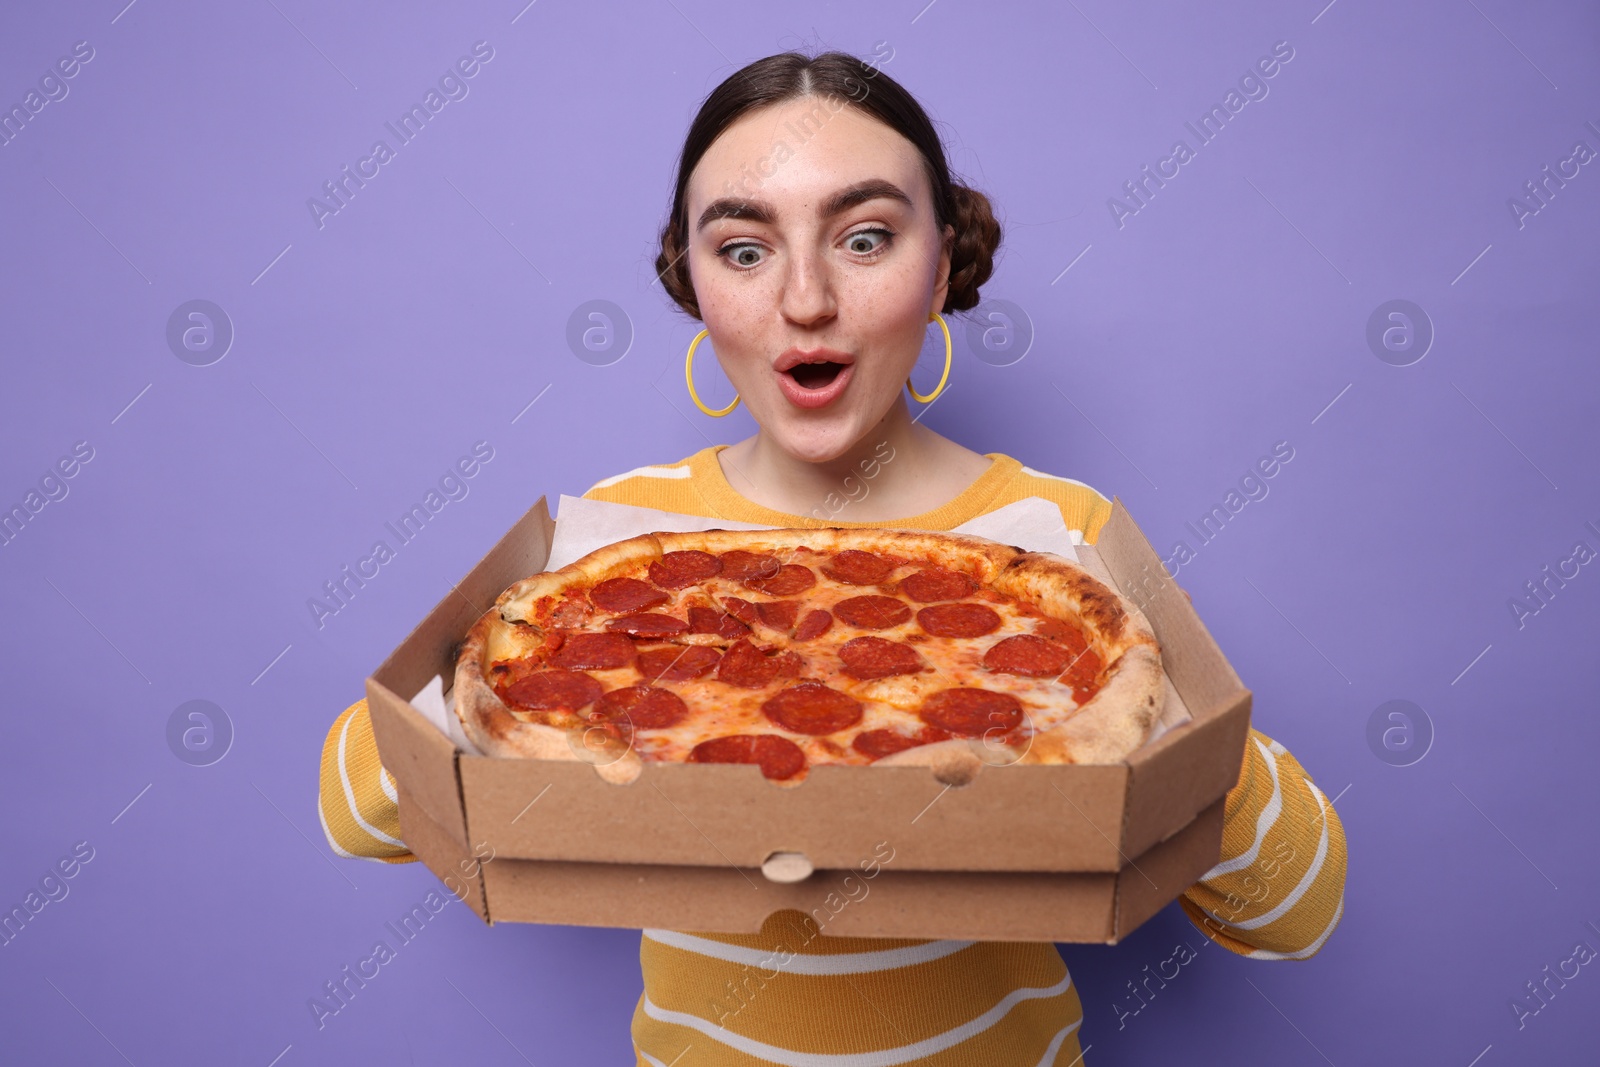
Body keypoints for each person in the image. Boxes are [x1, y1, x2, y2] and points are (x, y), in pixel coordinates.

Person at [319, 51, 1346, 1066]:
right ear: (692, 283)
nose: (804, 298)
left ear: (941, 264)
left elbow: (1294, 910)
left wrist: (1162, 738)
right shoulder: (622, 535)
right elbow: (351, 814)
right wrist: (466, 709)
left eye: (863, 238)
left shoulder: (1058, 535)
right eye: (744, 249)